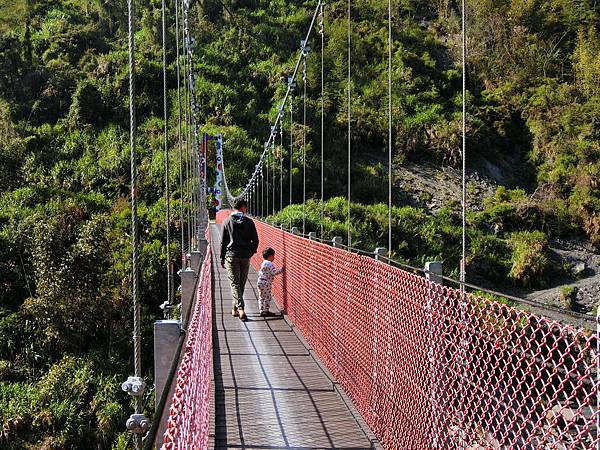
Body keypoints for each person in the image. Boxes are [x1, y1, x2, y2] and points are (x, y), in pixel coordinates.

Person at [220, 199, 259, 321]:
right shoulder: (249, 222)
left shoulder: (226, 222)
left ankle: (239, 308)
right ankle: (235, 308)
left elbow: (223, 242)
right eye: (246, 208)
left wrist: (222, 257)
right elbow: (256, 241)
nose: (246, 210)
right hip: (245, 256)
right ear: (243, 207)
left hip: (231, 256)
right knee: (240, 283)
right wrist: (251, 252)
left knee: (235, 283)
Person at [257, 247, 284, 318]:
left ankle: (261, 310)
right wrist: (281, 270)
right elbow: (273, 272)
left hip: (260, 281)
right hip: (266, 283)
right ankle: (266, 311)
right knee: (267, 297)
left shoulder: (264, 262)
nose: (274, 257)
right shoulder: (270, 264)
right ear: (270, 256)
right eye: (273, 256)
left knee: (261, 297)